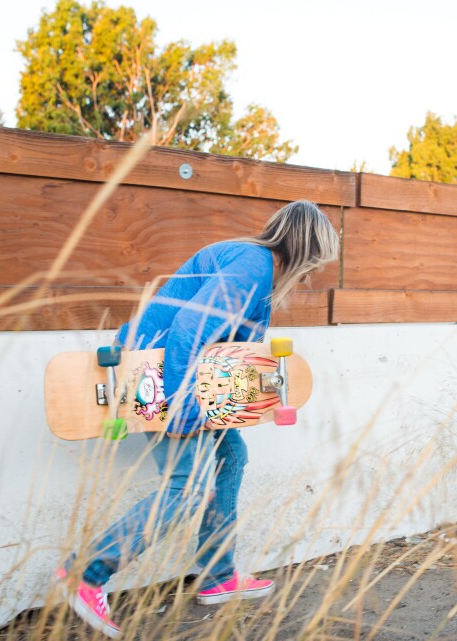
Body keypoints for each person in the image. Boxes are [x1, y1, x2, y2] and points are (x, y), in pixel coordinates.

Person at [54, 200, 340, 638]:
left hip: (189, 376)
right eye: (316, 262)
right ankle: (86, 573)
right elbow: (189, 326)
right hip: (159, 374)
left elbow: (227, 345)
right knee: (186, 489)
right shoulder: (252, 266)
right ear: (307, 248)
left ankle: (217, 574)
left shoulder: (256, 269)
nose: (314, 272)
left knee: (231, 457)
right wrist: (184, 402)